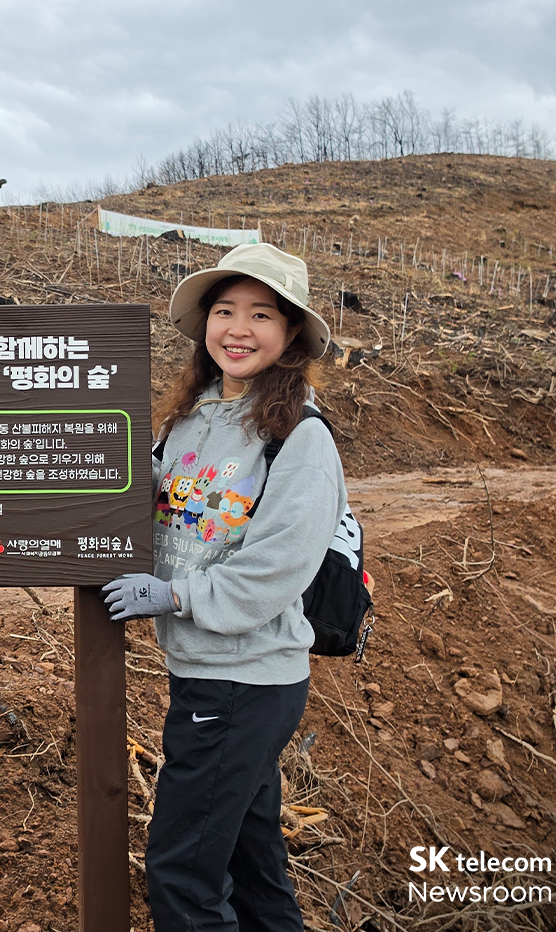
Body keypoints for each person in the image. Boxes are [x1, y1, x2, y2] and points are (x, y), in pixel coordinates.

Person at [102, 243, 345, 932]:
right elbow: (148, 503)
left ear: (291, 332)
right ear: (205, 323)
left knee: (181, 870)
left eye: (262, 314)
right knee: (248, 856)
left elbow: (280, 564)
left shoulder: (300, 435)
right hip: (211, 674)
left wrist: (176, 596)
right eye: (225, 310)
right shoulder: (189, 418)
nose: (239, 329)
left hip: (246, 679)